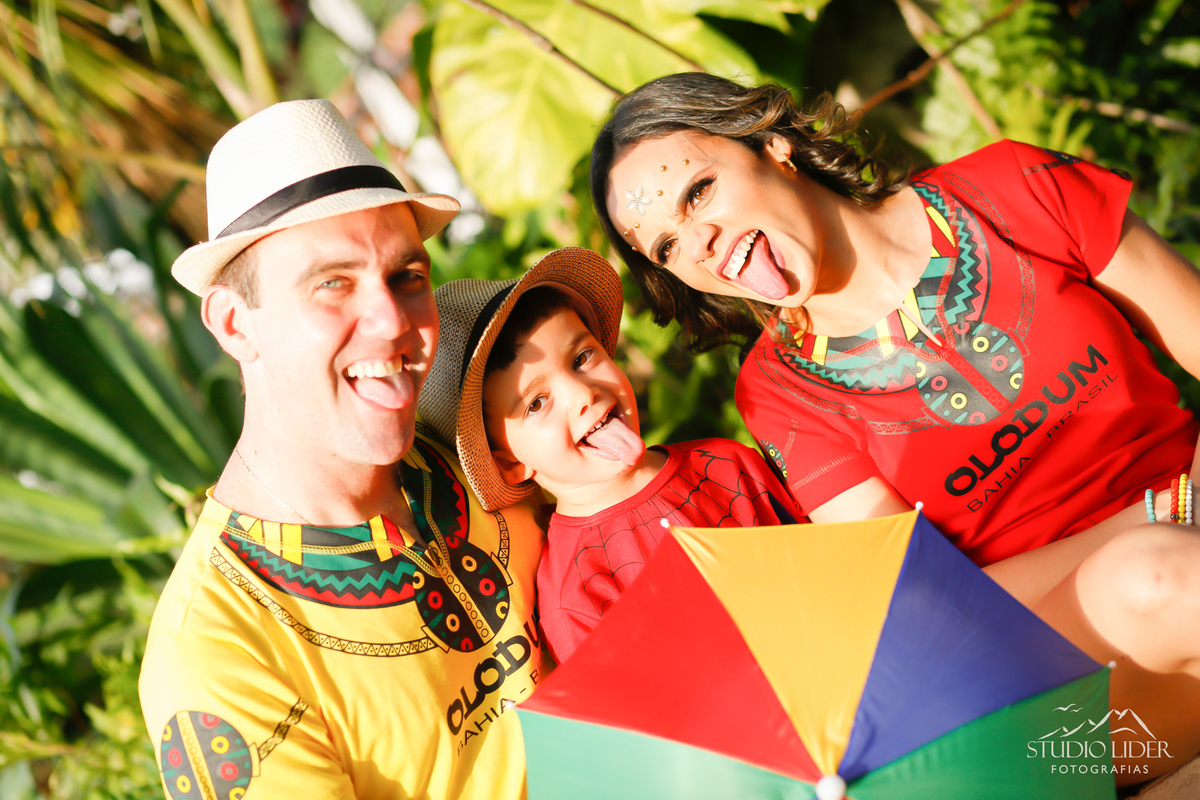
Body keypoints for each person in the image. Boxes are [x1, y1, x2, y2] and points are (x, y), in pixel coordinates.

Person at [590, 73, 1200, 783]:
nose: (699, 242)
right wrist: (1165, 513)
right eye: (664, 247)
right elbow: (928, 609)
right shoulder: (781, 395)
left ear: (772, 145)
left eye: (698, 192)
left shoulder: (1013, 188)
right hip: (1069, 677)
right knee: (1151, 575)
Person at [138, 100, 547, 800]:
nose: (392, 321)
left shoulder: (474, 443)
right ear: (236, 323)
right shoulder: (216, 651)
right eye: (333, 284)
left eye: (407, 276)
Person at [416, 249, 801, 665]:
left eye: (582, 358)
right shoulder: (578, 591)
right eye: (537, 402)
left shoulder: (726, 462)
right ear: (509, 462)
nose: (584, 394)